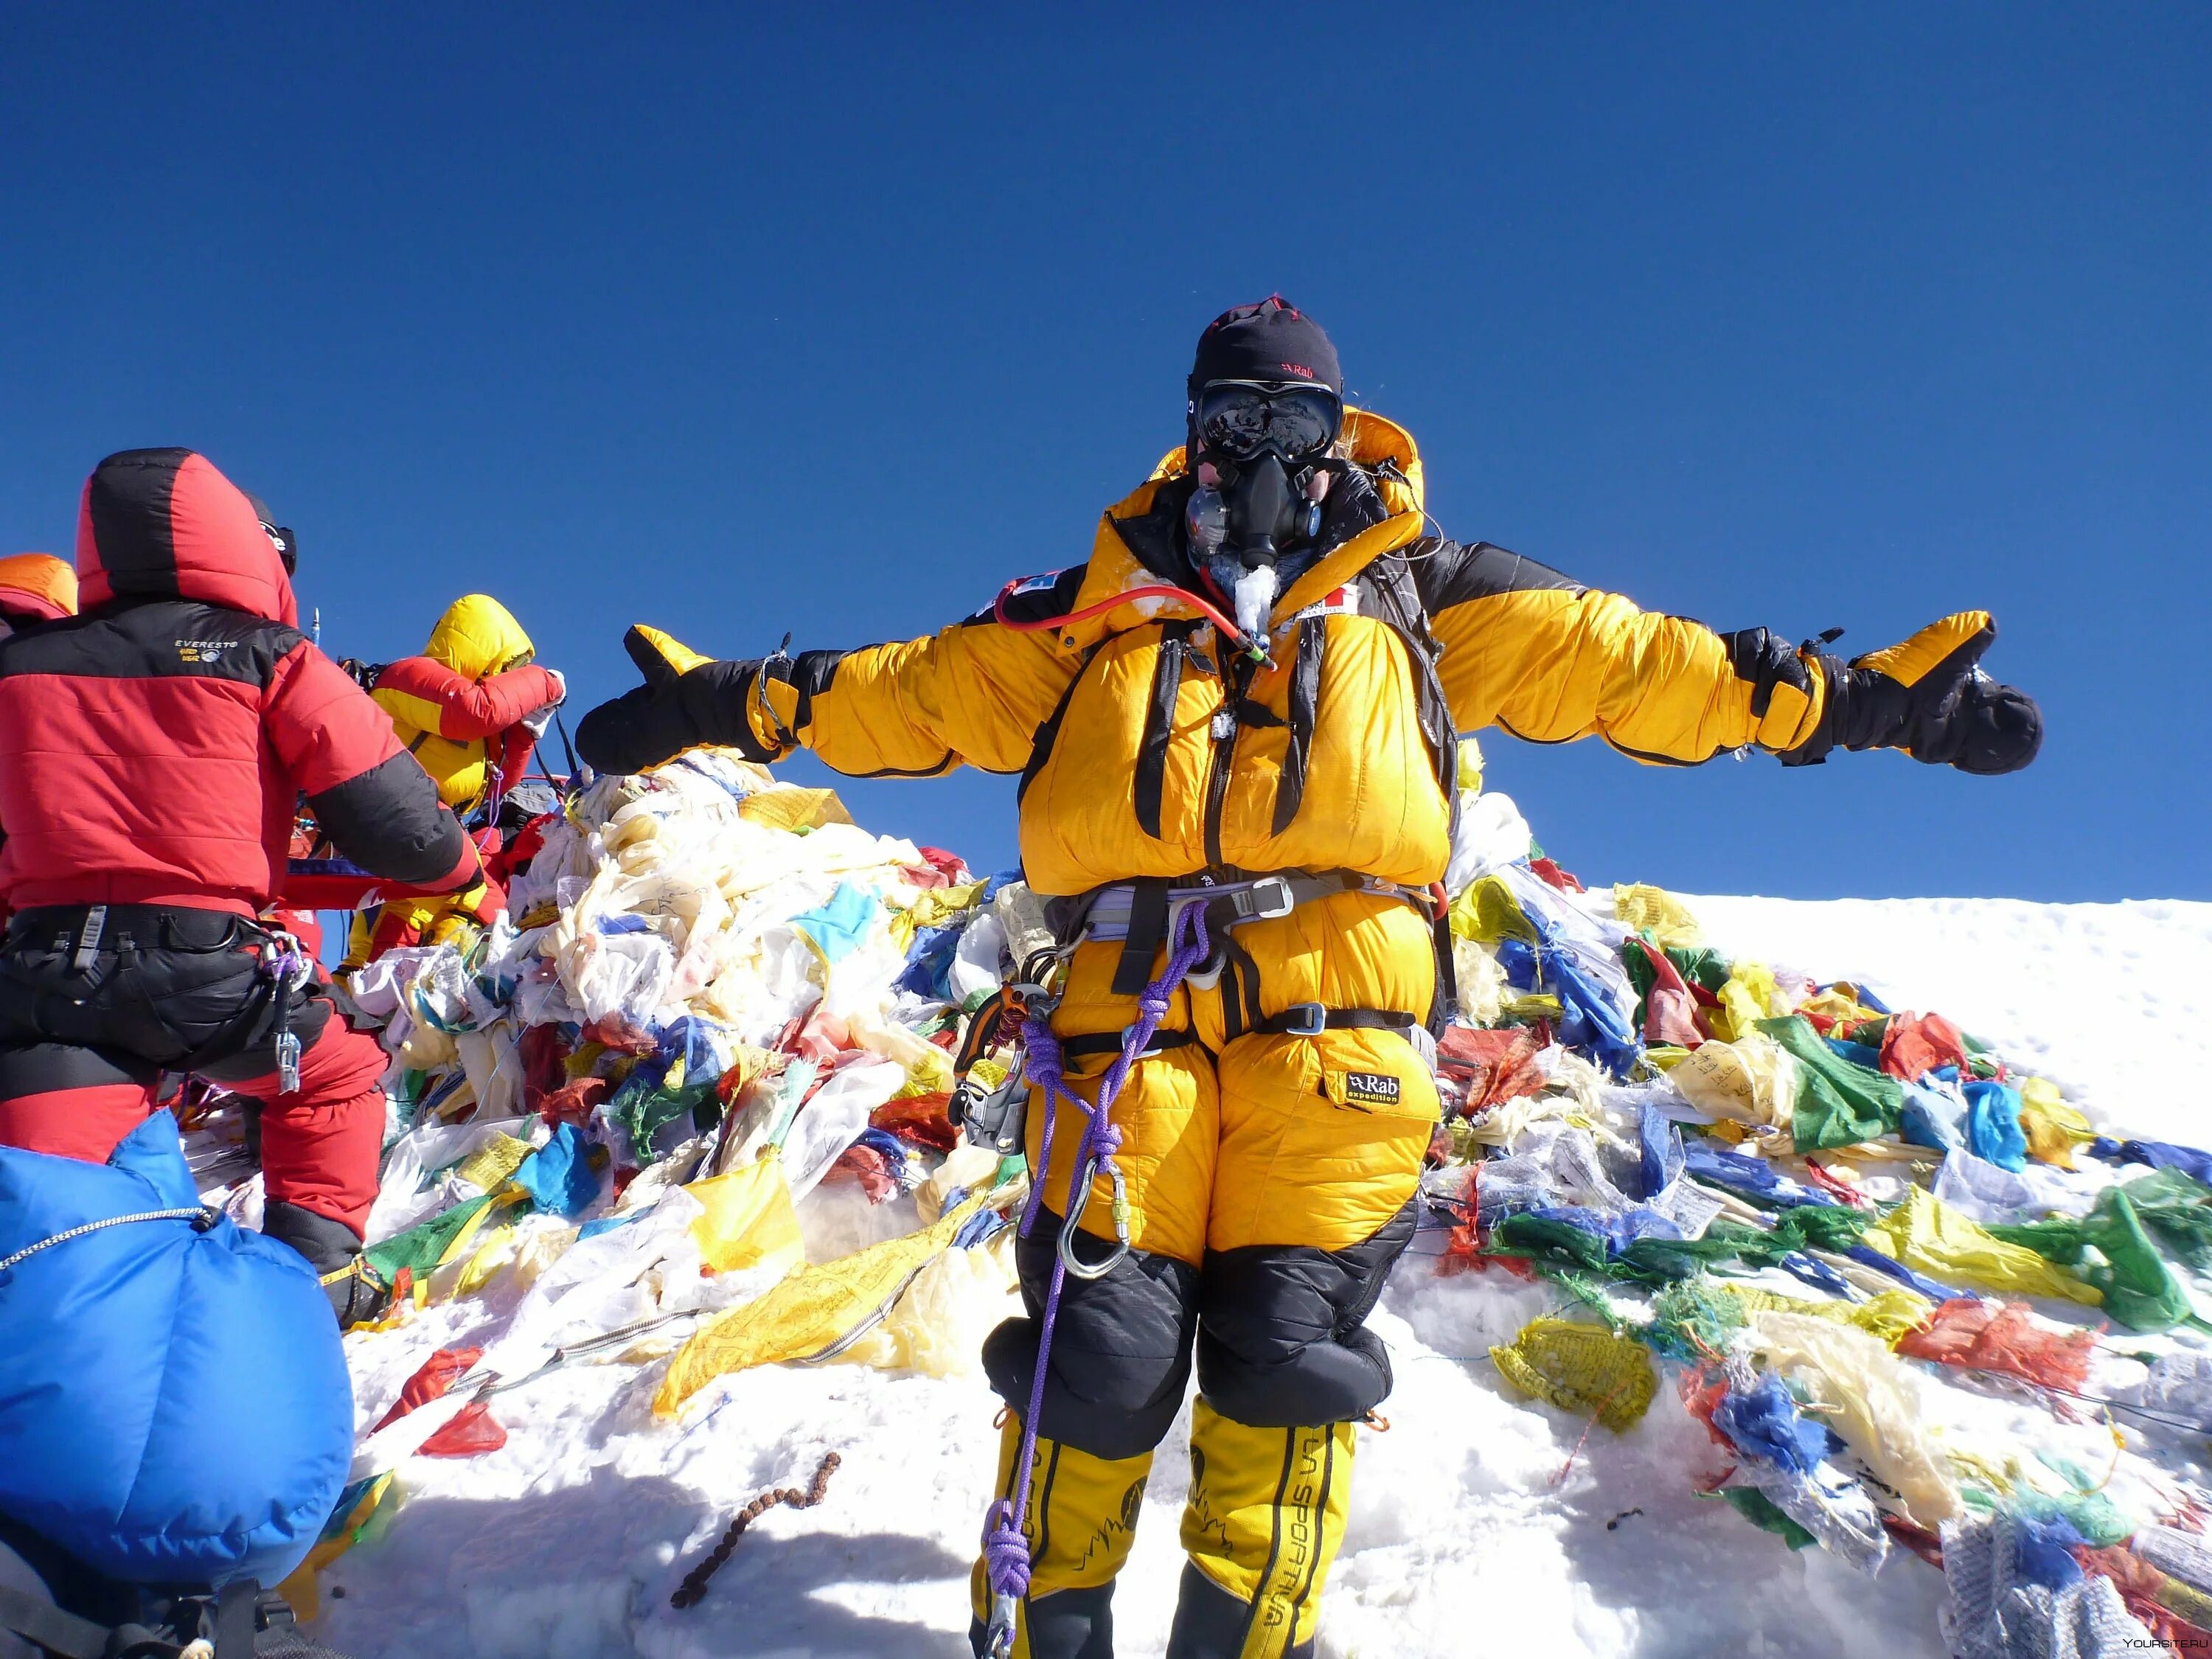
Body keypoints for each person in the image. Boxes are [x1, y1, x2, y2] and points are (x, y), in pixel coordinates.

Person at [577, 299, 2042, 1659]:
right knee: (1094, 1357)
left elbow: (1638, 662)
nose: (1259, 451)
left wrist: (1859, 703)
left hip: (1338, 1050)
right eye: (1232, 415)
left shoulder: (1427, 593)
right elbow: (904, 693)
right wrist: (729, 700)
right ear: (1194, 424)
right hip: (1124, 1042)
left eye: (1293, 421)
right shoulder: (1094, 608)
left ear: (1341, 430)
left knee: (1286, 1368)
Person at [0, 447, 485, 1322]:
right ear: (248, 545)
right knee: (334, 1078)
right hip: (207, 971)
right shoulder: (267, 655)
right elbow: (410, 832)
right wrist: (463, 867)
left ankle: (64, 1333)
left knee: (53, 1225)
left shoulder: (21, 668)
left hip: (44, 977)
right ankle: (317, 1290)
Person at [335, 592, 565, 967]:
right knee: (378, 956)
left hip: (432, 836)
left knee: (478, 905)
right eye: (509, 665)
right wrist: (547, 683)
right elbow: (476, 711)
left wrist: (524, 734)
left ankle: (436, 989)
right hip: (389, 824)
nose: (507, 675)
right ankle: (355, 1007)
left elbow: (498, 789)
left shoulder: (476, 728)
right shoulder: (407, 675)